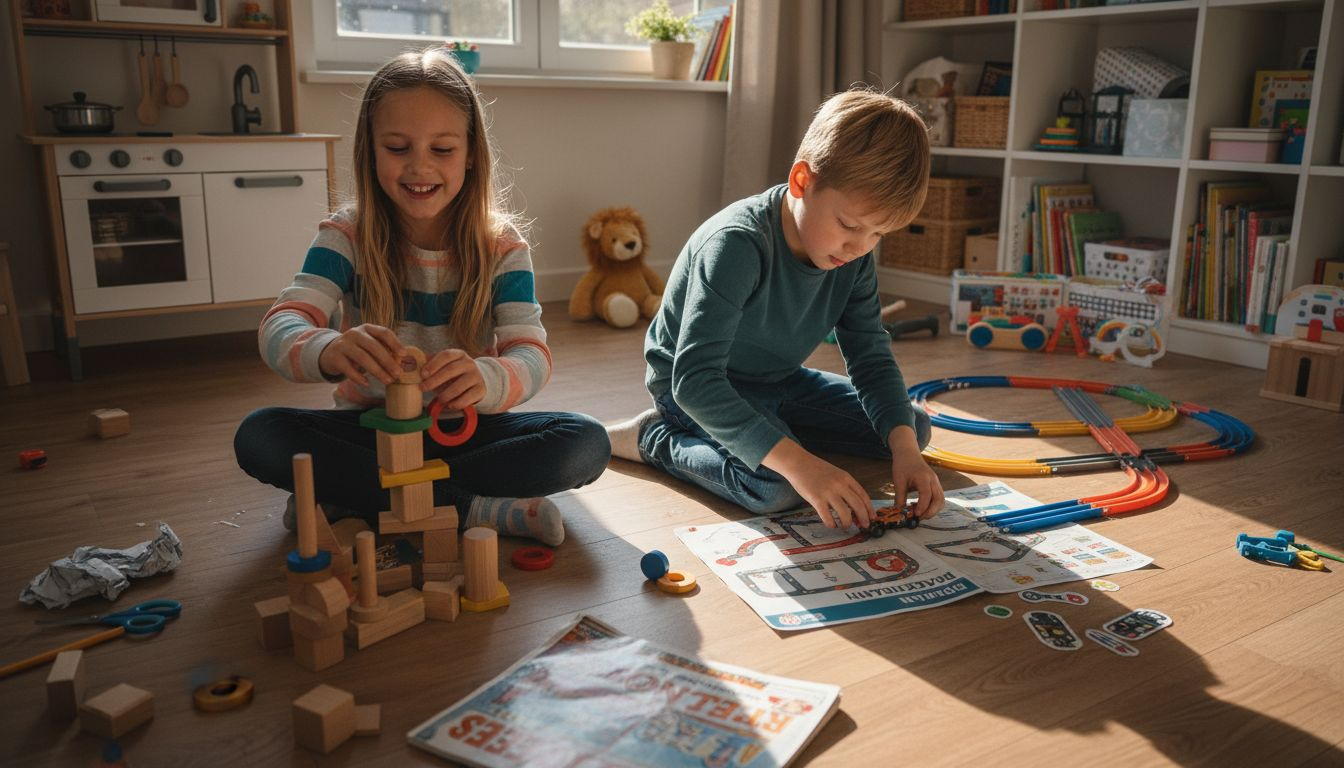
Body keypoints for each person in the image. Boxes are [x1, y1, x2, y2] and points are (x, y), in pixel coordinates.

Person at [234, 48, 609, 547]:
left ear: (472, 152)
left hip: (467, 433)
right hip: (370, 433)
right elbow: (282, 325)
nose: (419, 167)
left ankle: (356, 497)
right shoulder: (347, 234)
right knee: (260, 434)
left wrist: (486, 376)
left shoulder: (501, 246)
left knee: (584, 443)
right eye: (397, 147)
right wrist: (328, 348)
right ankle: (472, 508)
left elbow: (532, 355)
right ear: (370, 149)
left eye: (442, 149)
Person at [606, 88, 944, 530]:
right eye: (850, 226)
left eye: (879, 235)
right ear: (802, 181)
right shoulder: (736, 244)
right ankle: (653, 438)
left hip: (778, 381)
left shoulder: (854, 256)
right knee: (774, 489)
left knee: (910, 429)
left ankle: (774, 437)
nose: (861, 247)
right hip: (691, 389)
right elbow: (694, 381)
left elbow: (871, 358)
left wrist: (904, 453)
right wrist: (802, 466)